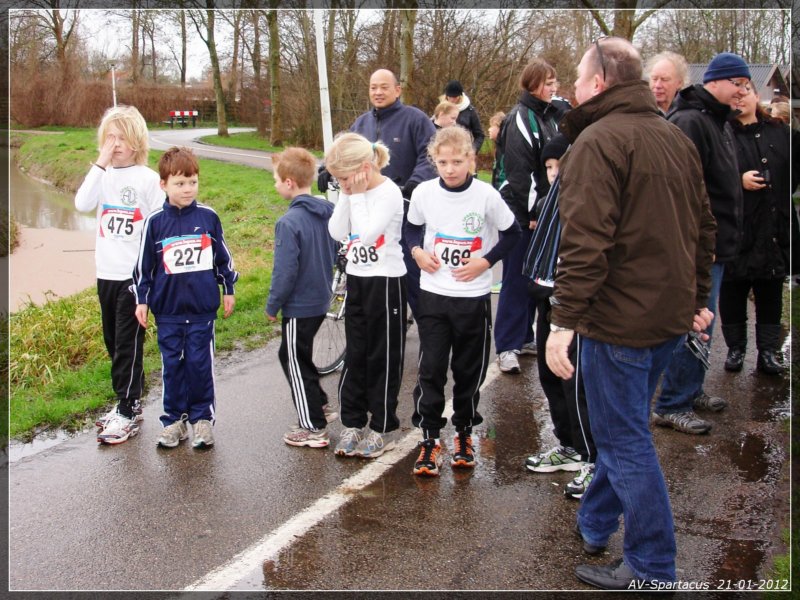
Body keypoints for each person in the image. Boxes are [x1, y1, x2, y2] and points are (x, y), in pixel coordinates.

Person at [545, 37, 715, 589]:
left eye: (577, 76)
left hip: (620, 322)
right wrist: (695, 299)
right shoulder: (672, 136)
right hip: (663, 316)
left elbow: (584, 244)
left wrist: (561, 323)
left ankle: (651, 566)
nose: (571, 85)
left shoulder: (598, 141)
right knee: (623, 429)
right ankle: (595, 522)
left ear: (599, 83)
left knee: (623, 442)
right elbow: (703, 227)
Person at [405, 125, 521, 476]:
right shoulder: (425, 193)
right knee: (431, 369)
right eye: (443, 162)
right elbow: (410, 228)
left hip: (472, 298)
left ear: (472, 159)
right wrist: (417, 252)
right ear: (434, 162)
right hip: (434, 296)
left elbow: (512, 233)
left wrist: (485, 261)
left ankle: (465, 434)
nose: (450, 168)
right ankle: (429, 439)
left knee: (468, 371)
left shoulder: (486, 196)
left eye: (458, 161)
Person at [652, 52, 751, 435]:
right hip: (698, 248)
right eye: (738, 85)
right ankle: (670, 403)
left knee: (705, 323)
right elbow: (680, 191)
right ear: (718, 81)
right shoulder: (691, 121)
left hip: (716, 243)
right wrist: (696, 244)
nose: (743, 93)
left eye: (745, 86)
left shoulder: (717, 119)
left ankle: (690, 389)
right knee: (691, 323)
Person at [133, 147, 238, 449]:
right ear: (163, 184)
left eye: (192, 181)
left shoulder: (208, 218)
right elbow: (143, 267)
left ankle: (202, 420)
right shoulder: (154, 223)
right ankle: (174, 422)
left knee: (199, 365)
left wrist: (228, 288)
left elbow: (223, 259)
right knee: (173, 366)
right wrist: (142, 300)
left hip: (203, 311)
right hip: (168, 313)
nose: (188, 189)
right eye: (180, 183)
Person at [75, 105, 163, 445]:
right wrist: (99, 163)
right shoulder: (103, 176)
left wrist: (152, 277)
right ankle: (131, 399)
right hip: (105, 273)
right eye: (109, 137)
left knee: (128, 344)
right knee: (112, 341)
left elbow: (158, 225)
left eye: (122, 137)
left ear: (136, 141)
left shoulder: (147, 179)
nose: (115, 144)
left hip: (133, 277)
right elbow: (82, 204)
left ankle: (126, 410)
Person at [523, 133, 597, 501]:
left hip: (571, 305)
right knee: (549, 376)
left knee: (576, 381)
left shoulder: (582, 199)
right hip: (545, 297)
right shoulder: (546, 201)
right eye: (548, 167)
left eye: (559, 166)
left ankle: (592, 457)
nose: (553, 173)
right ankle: (568, 444)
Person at [326, 133, 407, 458]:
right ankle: (353, 421)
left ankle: (383, 425)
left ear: (362, 168)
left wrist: (355, 195)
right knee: (356, 353)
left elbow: (368, 234)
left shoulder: (388, 192)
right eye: (337, 180)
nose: (340, 184)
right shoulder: (351, 192)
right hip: (358, 281)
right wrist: (347, 196)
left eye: (343, 178)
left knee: (382, 355)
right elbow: (336, 231)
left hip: (386, 281)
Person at [338, 69, 437, 319]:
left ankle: (429, 333)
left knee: (412, 275)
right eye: (373, 87)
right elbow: (343, 151)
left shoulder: (415, 119)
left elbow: (431, 154)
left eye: (384, 87)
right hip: (368, 211)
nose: (378, 92)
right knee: (377, 274)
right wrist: (327, 170)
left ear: (397, 90)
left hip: (403, 209)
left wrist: (416, 182)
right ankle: (390, 324)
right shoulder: (361, 123)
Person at [719, 85, 797, 374]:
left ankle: (768, 352)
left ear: (756, 97)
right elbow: (706, 172)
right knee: (732, 291)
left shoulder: (780, 132)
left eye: (746, 91)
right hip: (735, 228)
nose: (740, 96)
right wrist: (736, 180)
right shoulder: (720, 133)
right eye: (734, 93)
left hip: (773, 226)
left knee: (770, 291)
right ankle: (735, 349)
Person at [266, 148, 338, 448]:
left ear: (289, 183)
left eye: (276, 180)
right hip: (321, 297)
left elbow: (285, 271)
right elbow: (336, 250)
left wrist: (273, 304)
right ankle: (319, 403)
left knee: (292, 357)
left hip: (299, 304)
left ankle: (313, 427)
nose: (275, 185)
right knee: (297, 353)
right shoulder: (328, 213)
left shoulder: (288, 223)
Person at [493, 57, 560, 374]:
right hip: (521, 216)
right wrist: (533, 212)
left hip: (542, 213)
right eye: (547, 82)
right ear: (532, 83)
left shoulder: (549, 116)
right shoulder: (521, 118)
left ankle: (525, 337)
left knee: (536, 278)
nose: (553, 87)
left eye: (554, 81)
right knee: (516, 281)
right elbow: (521, 173)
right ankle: (506, 346)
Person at [443, 79, 486, 153]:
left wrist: (472, 150)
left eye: (455, 97)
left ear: (460, 96)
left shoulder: (470, 111)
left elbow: (479, 135)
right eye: (450, 97)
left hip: (464, 151)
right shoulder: (441, 109)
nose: (452, 100)